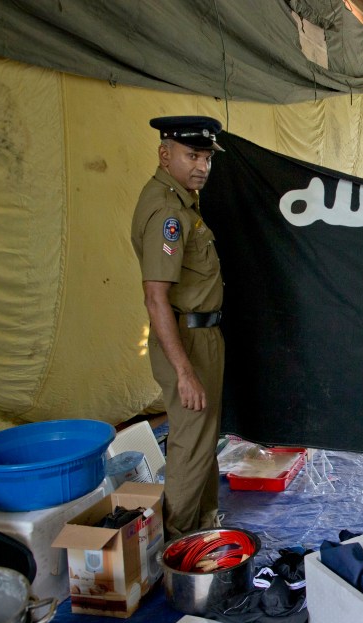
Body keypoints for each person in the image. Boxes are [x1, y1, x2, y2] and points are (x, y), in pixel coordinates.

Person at [130, 115, 226, 540]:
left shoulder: (183, 200)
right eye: (192, 155)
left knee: (203, 440)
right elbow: (155, 297)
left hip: (202, 334)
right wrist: (185, 371)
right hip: (186, 338)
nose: (202, 165)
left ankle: (203, 526)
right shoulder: (168, 211)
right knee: (189, 445)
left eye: (206, 157)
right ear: (164, 154)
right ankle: (178, 543)